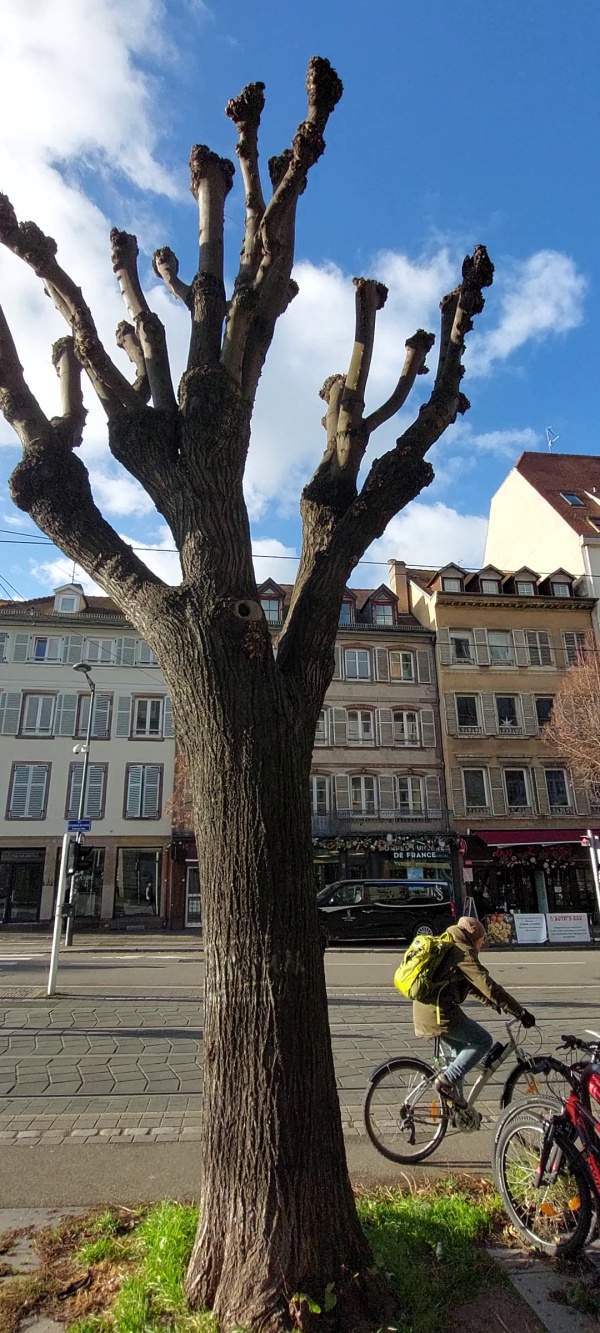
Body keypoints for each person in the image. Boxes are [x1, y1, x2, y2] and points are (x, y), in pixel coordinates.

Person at [412, 916, 535, 1107]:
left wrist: (492, 1003)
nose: (482, 946)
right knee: (483, 1041)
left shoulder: (449, 942)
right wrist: (520, 1012)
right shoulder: (463, 952)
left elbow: (470, 986)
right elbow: (487, 985)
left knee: (461, 1053)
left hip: (425, 1010)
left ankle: (455, 1110)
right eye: (481, 941)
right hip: (439, 1013)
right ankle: (445, 1082)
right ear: (474, 938)